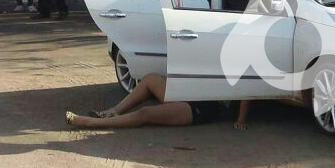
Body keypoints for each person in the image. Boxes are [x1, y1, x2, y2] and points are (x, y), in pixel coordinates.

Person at [65, 73, 249, 130]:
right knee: (151, 79)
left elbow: (247, 91)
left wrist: (240, 120)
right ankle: (114, 110)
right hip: (191, 92)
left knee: (146, 114)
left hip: (207, 106)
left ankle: (91, 122)